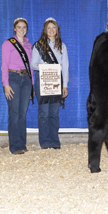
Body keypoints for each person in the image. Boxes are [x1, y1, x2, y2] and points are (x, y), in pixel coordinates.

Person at [31, 17, 69, 149]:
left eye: (54, 27)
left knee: (54, 112)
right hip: (43, 81)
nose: (51, 30)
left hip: (56, 82)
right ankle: (45, 141)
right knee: (44, 112)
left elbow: (65, 66)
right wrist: (44, 65)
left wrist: (65, 85)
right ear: (45, 30)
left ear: (57, 30)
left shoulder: (62, 46)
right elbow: (32, 64)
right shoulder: (38, 45)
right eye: (49, 28)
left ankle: (54, 141)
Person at [1, 17, 33, 154]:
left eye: (24, 27)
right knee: (14, 113)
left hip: (26, 79)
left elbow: (31, 67)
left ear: (26, 29)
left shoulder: (29, 45)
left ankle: (22, 144)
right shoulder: (8, 43)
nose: (22, 29)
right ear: (14, 28)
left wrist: (32, 85)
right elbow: (4, 65)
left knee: (22, 114)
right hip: (13, 77)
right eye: (19, 27)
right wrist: (6, 84)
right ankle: (15, 146)